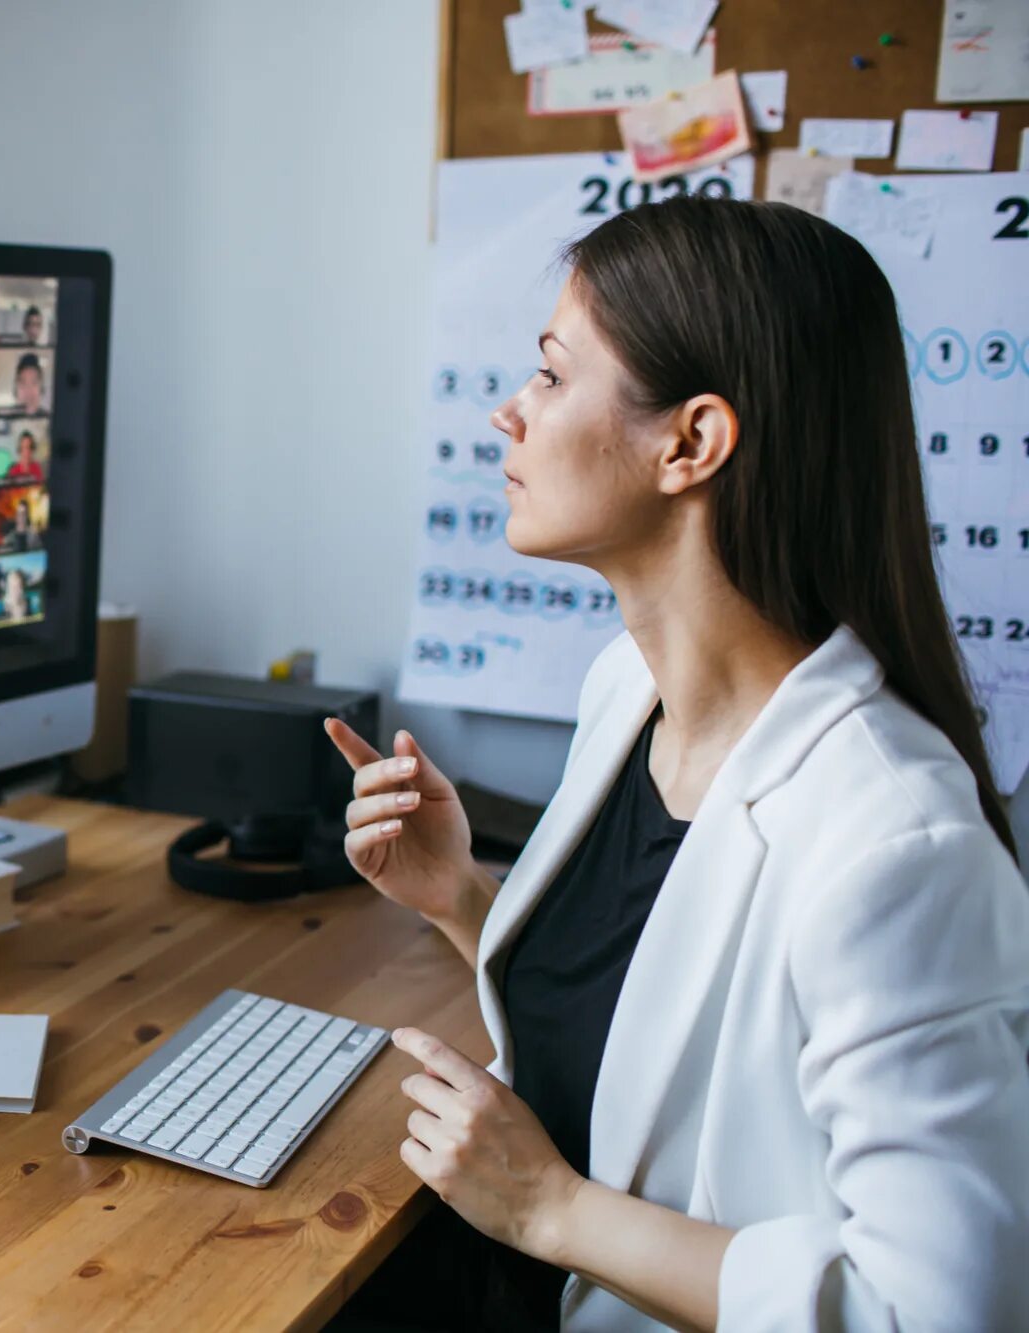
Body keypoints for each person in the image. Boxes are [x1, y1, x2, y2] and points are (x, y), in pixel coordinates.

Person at [330, 198, 1029, 1333]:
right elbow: (647, 1018)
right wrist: (460, 897)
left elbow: (938, 1313)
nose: (507, 411)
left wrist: (550, 1209)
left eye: (551, 376)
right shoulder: (626, 690)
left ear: (690, 443)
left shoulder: (900, 847)